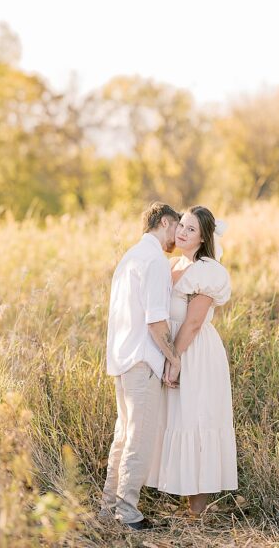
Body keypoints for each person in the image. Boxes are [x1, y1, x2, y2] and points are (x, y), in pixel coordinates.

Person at [146, 205, 238, 515]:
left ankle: (198, 514)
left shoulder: (208, 270)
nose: (183, 232)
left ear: (202, 238)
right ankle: (184, 503)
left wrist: (176, 359)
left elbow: (194, 322)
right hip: (173, 349)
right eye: (182, 226)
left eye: (191, 230)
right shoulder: (172, 264)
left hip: (194, 351)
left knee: (197, 420)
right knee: (177, 419)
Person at [101, 202, 182, 530]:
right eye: (178, 226)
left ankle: (109, 508)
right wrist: (174, 358)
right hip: (143, 358)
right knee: (139, 436)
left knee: (124, 435)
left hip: (122, 358)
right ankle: (128, 512)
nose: (179, 234)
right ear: (165, 222)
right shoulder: (154, 260)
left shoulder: (130, 256)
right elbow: (155, 320)